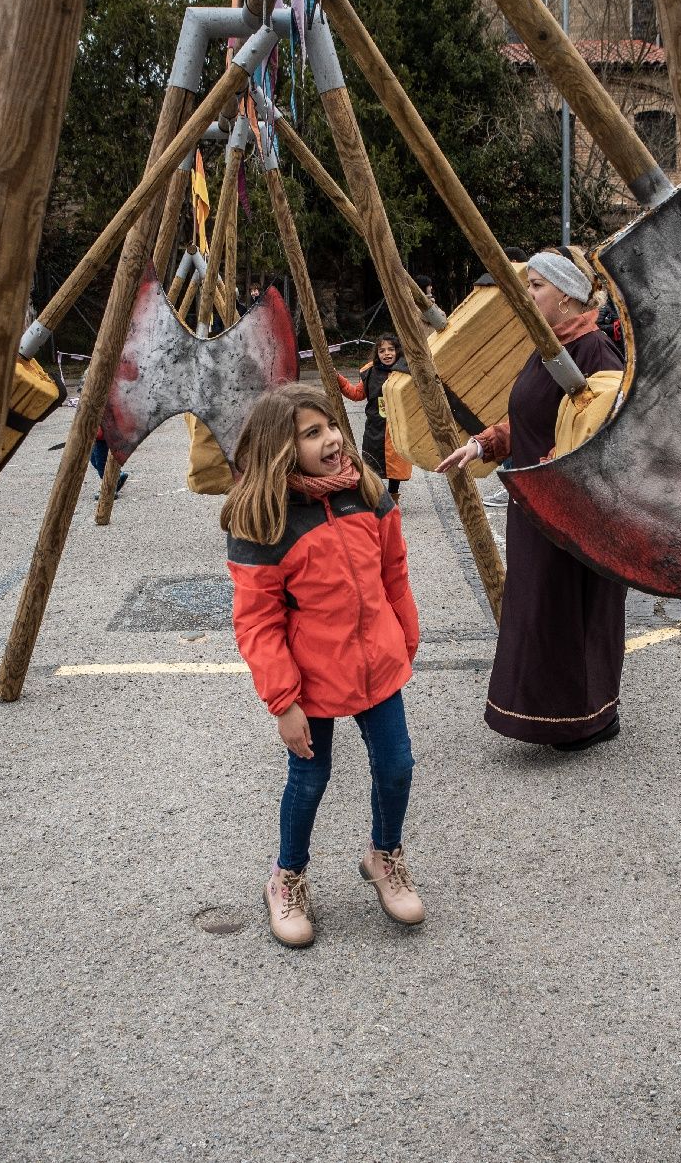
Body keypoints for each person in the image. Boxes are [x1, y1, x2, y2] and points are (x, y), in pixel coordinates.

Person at [224, 383, 424, 948]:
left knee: (397, 766)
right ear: (281, 449)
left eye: (332, 425)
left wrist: (404, 636)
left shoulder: (367, 490)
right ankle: (287, 878)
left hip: (378, 665)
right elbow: (257, 623)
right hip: (310, 681)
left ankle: (384, 855)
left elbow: (394, 572)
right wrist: (283, 701)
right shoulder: (263, 519)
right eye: (312, 434)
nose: (333, 439)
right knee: (310, 780)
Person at [436, 249, 627, 750]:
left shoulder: (595, 354)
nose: (528, 294)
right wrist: (483, 443)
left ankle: (590, 719)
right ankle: (552, 716)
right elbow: (527, 417)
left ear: (566, 294)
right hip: (537, 507)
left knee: (574, 611)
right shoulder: (547, 349)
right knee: (541, 610)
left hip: (573, 515)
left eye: (537, 286)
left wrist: (558, 472)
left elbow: (606, 439)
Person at [339, 333, 412, 501]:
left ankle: (393, 499)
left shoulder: (407, 370)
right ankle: (377, 498)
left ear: (397, 351)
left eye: (391, 350)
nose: (386, 354)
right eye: (382, 350)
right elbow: (357, 394)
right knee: (372, 465)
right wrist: (339, 380)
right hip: (375, 427)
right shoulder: (370, 371)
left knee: (396, 465)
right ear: (377, 353)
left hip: (398, 427)